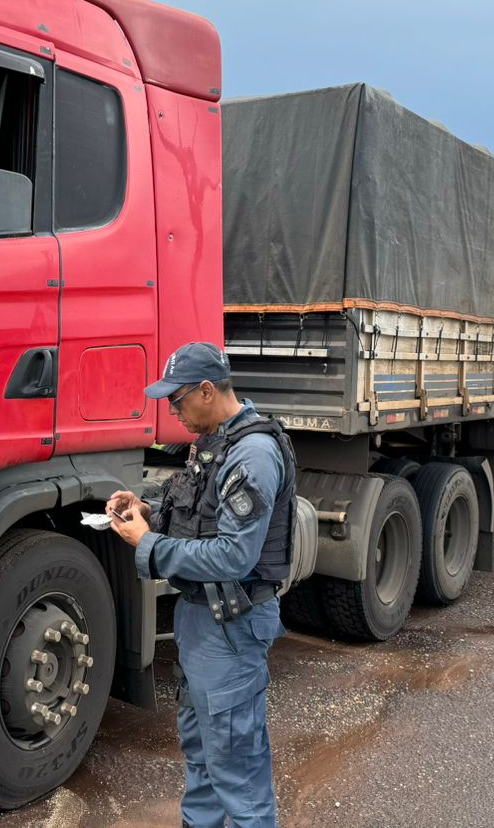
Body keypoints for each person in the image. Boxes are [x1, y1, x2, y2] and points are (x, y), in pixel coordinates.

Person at [106, 341, 296, 828]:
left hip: (230, 627)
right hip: (203, 622)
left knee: (237, 767)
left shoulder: (252, 454)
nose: (172, 410)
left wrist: (148, 544)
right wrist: (149, 510)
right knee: (203, 756)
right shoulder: (215, 441)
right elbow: (200, 516)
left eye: (177, 400)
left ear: (207, 391)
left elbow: (235, 554)